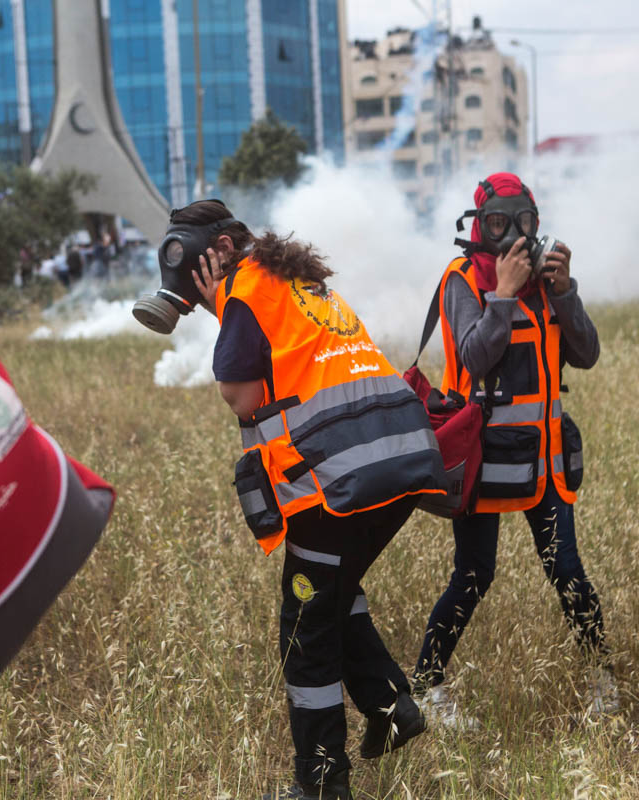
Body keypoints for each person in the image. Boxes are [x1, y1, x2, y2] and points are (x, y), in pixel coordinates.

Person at [180, 199, 446, 800]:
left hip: (340, 480)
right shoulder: (295, 280)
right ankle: (389, 706)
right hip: (397, 461)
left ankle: (322, 781)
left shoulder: (245, 289)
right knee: (333, 595)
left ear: (220, 252)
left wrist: (215, 306)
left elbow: (242, 395)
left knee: (304, 631)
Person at [412, 173, 614, 725]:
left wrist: (566, 291)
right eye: (498, 223)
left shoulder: (548, 282)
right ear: (478, 227)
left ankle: (604, 682)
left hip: (544, 462)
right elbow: (476, 358)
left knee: (566, 569)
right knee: (474, 576)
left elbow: (588, 353)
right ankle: (427, 688)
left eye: (523, 222)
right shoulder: (462, 281)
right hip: (485, 461)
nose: (511, 235)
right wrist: (501, 295)